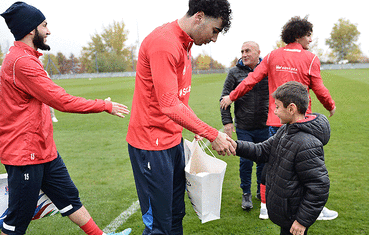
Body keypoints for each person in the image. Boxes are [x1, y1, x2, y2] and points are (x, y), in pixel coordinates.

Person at [0, 2, 131, 235]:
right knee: (16, 221)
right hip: (25, 155)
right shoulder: (22, 63)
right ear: (31, 29)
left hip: (43, 150)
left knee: (69, 198)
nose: (48, 31)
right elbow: (61, 101)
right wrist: (104, 105)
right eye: (44, 25)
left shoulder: (26, 57)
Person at [126, 0, 234, 234]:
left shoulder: (185, 45)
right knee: (159, 226)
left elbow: (180, 101)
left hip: (172, 143)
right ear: (199, 17)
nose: (214, 39)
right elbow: (168, 105)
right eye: (214, 30)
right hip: (151, 146)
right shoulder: (164, 43)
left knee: (175, 216)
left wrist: (196, 128)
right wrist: (212, 134)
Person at [221, 15, 338, 221]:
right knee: (308, 167)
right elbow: (319, 88)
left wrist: (232, 96)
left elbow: (251, 80)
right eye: (309, 36)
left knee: (273, 163)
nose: (310, 40)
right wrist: (330, 105)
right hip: (303, 123)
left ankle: (265, 205)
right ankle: (314, 208)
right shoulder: (310, 59)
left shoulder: (273, 55)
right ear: (300, 35)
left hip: (277, 121)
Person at [228, 81, 331, 235]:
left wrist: (302, 220)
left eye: (277, 106)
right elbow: (261, 150)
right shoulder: (286, 130)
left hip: (294, 217)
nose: (274, 111)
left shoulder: (307, 144)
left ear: (291, 109)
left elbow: (319, 187)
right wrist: (233, 145)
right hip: (286, 213)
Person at [220, 41, 269, 211]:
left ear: (258, 52)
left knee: (263, 161)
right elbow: (224, 98)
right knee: (246, 161)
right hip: (244, 127)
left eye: (248, 50)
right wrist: (227, 122)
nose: (244, 54)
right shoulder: (234, 72)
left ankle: (260, 191)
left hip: (265, 126)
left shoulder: (267, 70)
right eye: (242, 51)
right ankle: (246, 193)